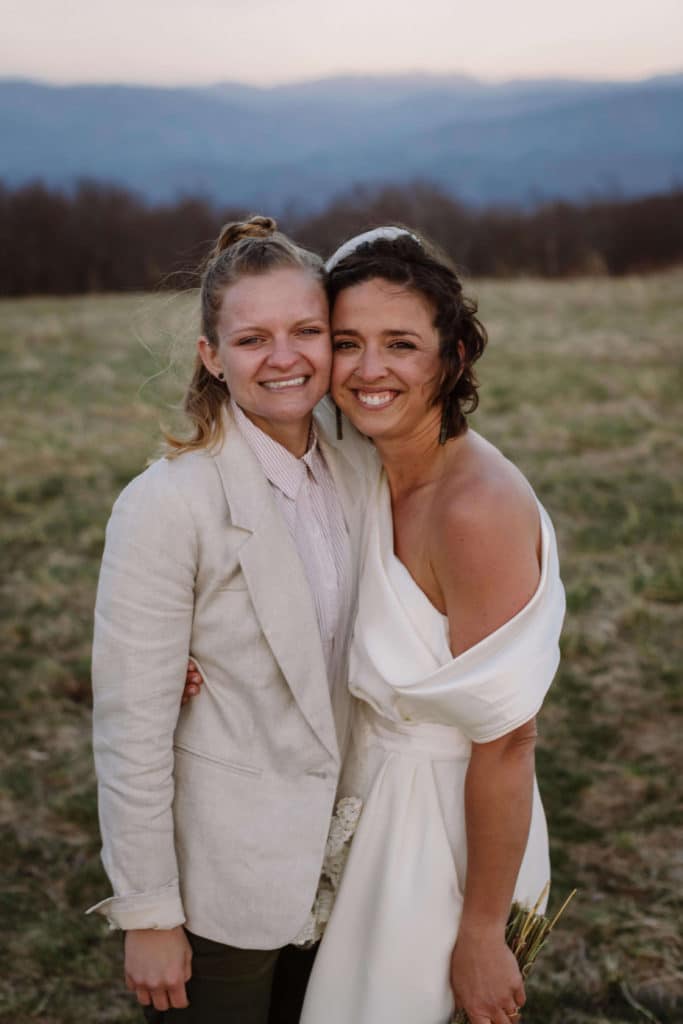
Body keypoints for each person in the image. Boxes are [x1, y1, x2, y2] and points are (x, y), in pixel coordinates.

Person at [88, 215, 374, 1024]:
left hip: (344, 866)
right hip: (225, 882)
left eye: (306, 332)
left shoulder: (357, 469)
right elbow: (131, 728)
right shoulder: (166, 505)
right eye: (252, 340)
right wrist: (148, 912)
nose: (284, 358)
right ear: (211, 356)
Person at [294, 227, 566, 1024]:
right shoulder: (361, 467)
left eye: (400, 344)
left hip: (441, 839)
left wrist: (480, 931)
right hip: (366, 802)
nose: (369, 370)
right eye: (347, 343)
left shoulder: (473, 508)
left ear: (450, 360)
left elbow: (509, 739)